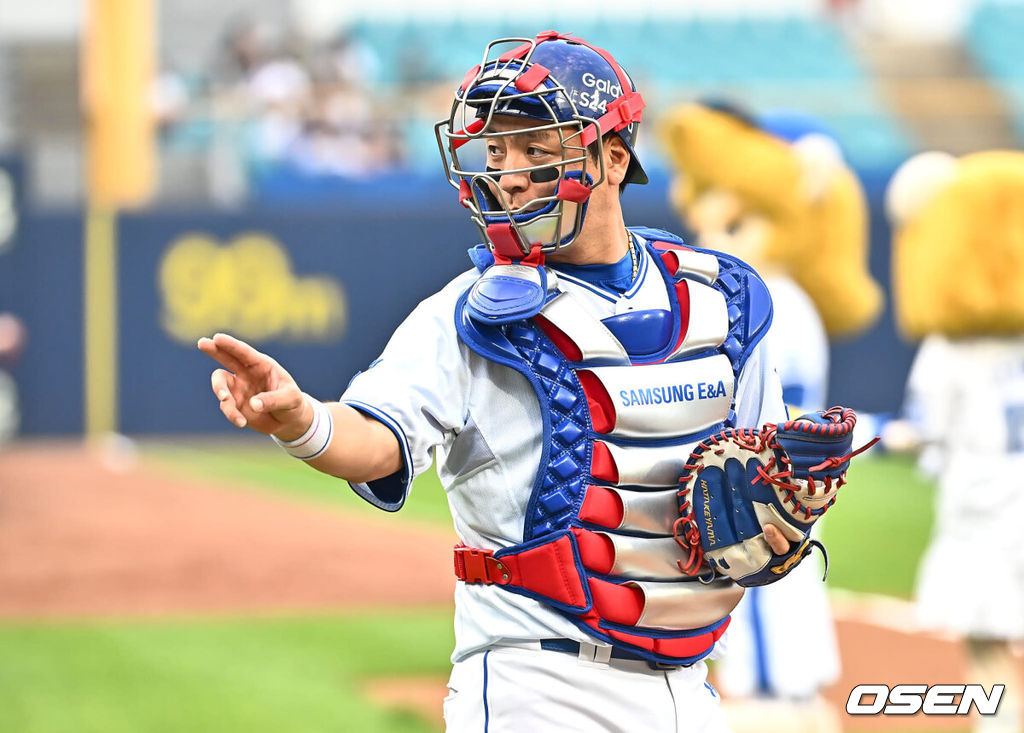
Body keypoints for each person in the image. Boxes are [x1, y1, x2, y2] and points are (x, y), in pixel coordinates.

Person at [199, 33, 812, 731]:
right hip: (536, 683)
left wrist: (779, 507)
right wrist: (302, 418)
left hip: (689, 686)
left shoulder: (722, 300)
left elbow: (766, 468)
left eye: (534, 149)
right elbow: (376, 438)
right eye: (493, 153)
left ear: (612, 159)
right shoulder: (468, 313)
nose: (508, 174)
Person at [658, 101, 883, 733]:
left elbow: (761, 412)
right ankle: (795, 697)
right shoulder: (791, 299)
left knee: (759, 595)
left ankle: (780, 703)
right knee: (792, 588)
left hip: (767, 476)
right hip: (794, 476)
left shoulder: (766, 300)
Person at [884, 150, 1024, 733]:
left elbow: (923, 428)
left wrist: (894, 438)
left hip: (981, 491)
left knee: (986, 634)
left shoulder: (949, 347)